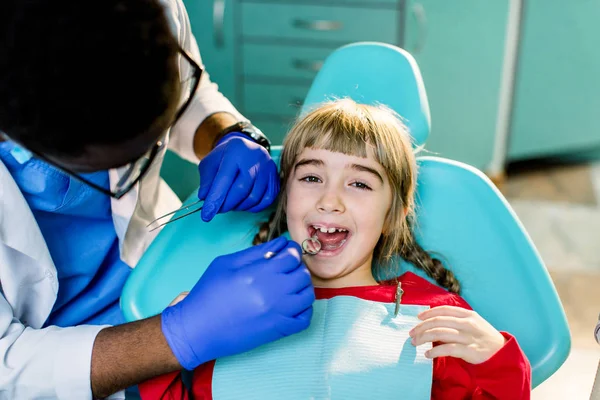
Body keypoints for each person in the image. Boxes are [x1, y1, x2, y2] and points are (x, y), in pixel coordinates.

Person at [0, 0, 313, 399]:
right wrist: (181, 334)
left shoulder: (147, 11)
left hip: (156, 264)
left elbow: (188, 94)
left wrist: (227, 134)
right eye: (127, 164)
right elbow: (7, 369)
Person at [139, 99, 532, 399]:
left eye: (359, 184)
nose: (330, 200)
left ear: (394, 214)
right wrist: (172, 343)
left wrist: (498, 360)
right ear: (286, 196)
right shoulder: (229, 304)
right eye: (311, 176)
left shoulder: (431, 316)